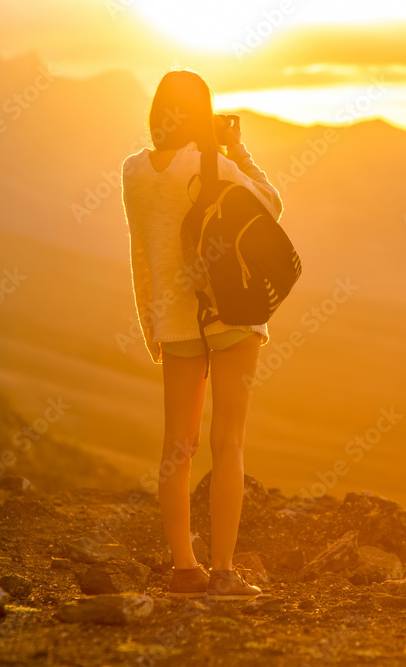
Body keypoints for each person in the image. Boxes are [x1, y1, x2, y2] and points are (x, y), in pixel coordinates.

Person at [121, 69, 282, 599]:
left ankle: (183, 571)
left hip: (175, 318)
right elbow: (270, 204)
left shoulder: (134, 172)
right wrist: (236, 149)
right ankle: (225, 574)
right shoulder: (212, 164)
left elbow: (140, 252)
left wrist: (152, 320)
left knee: (177, 447)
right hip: (230, 311)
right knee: (227, 441)